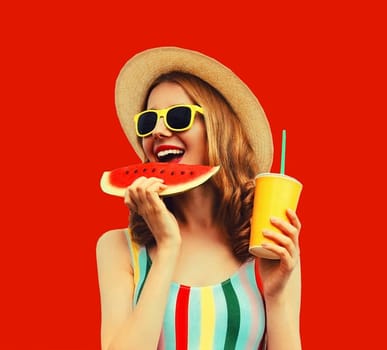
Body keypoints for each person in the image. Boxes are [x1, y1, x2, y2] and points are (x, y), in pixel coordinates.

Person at [96, 47, 303, 350]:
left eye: (178, 117)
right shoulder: (119, 248)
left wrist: (276, 297)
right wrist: (167, 248)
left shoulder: (268, 243)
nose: (158, 130)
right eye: (147, 121)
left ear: (218, 128)